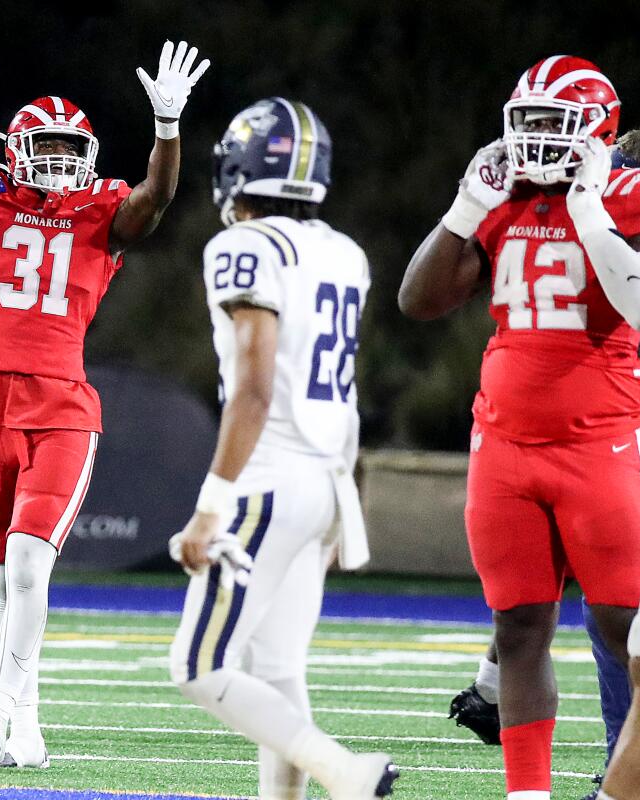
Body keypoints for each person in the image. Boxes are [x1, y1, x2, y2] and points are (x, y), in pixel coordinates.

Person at [0, 15, 208, 768]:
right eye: (44, 148)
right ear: (15, 151)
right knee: (6, 579)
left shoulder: (100, 211)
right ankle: (29, 728)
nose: (57, 162)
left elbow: (157, 197)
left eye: (69, 150)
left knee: (28, 564)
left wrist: (167, 127)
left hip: (63, 407)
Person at [399, 56, 640, 800]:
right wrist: (460, 212)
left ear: (596, 130)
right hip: (504, 445)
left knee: (627, 630)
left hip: (597, 441)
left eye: (554, 122)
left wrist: (588, 210)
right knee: (517, 628)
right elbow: (419, 300)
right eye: (529, 121)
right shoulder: (502, 197)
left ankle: (634, 779)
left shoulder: (634, 191)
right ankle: (527, 796)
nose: (537, 137)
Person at [168, 97, 396, 800]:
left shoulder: (244, 245)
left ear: (238, 170)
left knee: (199, 667)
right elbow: (344, 390)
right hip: (323, 478)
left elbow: (255, 389)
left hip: (268, 479)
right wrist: (341, 501)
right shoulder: (344, 252)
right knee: (277, 670)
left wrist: (210, 506)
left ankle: (342, 770)